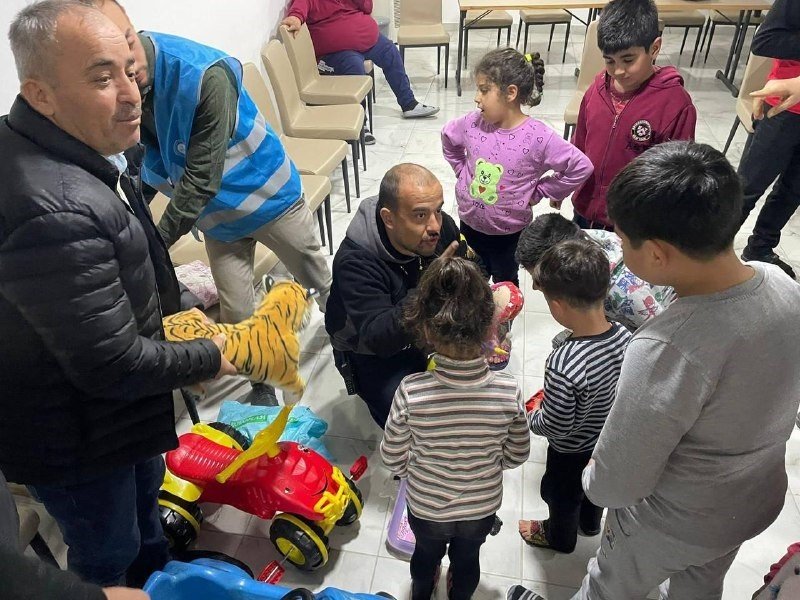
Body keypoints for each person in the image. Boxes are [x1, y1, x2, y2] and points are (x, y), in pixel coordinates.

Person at [1, 0, 235, 587]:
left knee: (144, 520)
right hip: (77, 437)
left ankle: (160, 578)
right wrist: (213, 354)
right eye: (102, 78)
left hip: (120, 418)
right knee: (108, 553)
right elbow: (109, 364)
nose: (131, 94)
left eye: (130, 71)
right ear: (42, 93)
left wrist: (174, 315)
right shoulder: (51, 206)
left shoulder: (80, 148)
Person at [573, 141, 800, 599]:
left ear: (656, 254)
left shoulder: (666, 347)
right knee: (700, 585)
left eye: (621, 241)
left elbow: (618, 482)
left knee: (607, 589)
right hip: (750, 501)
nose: (619, 249)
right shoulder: (780, 282)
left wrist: (591, 476)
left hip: (672, 520)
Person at [88, 0, 333, 405]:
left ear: (132, 30)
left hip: (270, 201)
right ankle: (260, 387)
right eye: (106, 69)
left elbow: (200, 178)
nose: (124, 73)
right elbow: (147, 162)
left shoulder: (203, 76)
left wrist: (153, 243)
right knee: (238, 312)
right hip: (220, 222)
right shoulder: (128, 89)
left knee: (317, 278)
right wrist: (134, 216)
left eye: (128, 47)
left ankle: (348, 342)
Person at [380, 257, 530, 600]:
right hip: (480, 508)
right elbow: (518, 454)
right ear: (489, 328)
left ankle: (422, 590)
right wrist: (488, 462)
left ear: (428, 330)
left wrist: (417, 470)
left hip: (426, 507)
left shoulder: (411, 391)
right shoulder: (509, 391)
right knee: (467, 559)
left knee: (425, 555)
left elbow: (392, 456)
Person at [325, 163, 481, 427]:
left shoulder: (439, 230)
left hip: (425, 329)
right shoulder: (356, 262)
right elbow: (378, 338)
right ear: (389, 218)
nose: (435, 225)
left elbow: (470, 266)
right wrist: (429, 288)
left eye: (438, 210)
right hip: (374, 354)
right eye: (420, 216)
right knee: (403, 420)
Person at [442, 48, 593, 288]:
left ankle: (503, 325)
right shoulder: (472, 123)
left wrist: (542, 191)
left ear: (510, 93)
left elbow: (580, 166)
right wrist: (461, 171)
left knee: (505, 284)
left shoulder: (538, 137)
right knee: (469, 281)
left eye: (484, 90)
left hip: (509, 236)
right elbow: (448, 137)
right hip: (469, 226)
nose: (476, 98)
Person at [517, 239, 631, 554]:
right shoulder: (625, 336)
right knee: (594, 489)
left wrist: (532, 416)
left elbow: (557, 426)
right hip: (604, 439)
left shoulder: (563, 364)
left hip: (570, 451)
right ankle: (590, 525)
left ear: (557, 305)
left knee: (561, 497)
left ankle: (560, 538)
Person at [571, 0, 696, 230]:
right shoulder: (596, 89)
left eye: (628, 60)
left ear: (655, 48)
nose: (618, 70)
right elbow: (579, 142)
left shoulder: (676, 104)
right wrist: (566, 181)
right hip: (584, 208)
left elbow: (675, 177)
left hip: (631, 221)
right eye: (609, 60)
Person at [281, 0, 439, 126]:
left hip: (367, 39)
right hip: (334, 52)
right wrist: (295, 17)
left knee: (390, 50)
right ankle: (359, 123)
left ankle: (409, 104)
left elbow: (367, 7)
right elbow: (299, 6)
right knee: (354, 66)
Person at [515, 213, 675, 331]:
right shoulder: (583, 238)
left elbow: (661, 335)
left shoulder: (626, 295)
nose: (535, 288)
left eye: (539, 281)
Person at [737, 0, 800, 279]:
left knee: (793, 190)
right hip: (784, 106)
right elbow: (765, 40)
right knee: (747, 187)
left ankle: (761, 247)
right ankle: (706, 253)